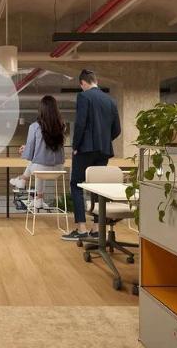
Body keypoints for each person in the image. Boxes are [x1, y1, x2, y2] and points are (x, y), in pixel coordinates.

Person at [61, 69, 121, 241]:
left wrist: (76, 146)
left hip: (85, 149)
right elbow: (117, 129)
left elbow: (80, 123)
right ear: (96, 81)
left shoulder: (84, 96)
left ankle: (81, 229)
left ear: (83, 83)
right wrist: (104, 140)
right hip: (103, 150)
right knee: (98, 187)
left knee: (76, 185)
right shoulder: (110, 100)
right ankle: (96, 229)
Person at [10, 95, 65, 210]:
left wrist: (24, 151)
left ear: (41, 109)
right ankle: (39, 198)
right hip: (59, 169)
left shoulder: (34, 126)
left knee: (36, 163)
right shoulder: (61, 126)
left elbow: (30, 153)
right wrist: (28, 149)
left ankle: (23, 179)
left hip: (40, 168)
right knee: (39, 163)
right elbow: (47, 149)